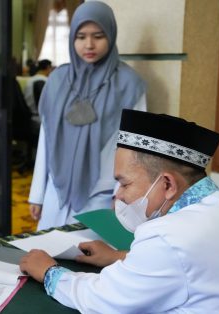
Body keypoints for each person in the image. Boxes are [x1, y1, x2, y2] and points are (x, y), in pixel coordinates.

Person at [20, 109, 219, 312]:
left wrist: (49, 272)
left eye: (125, 183)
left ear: (168, 185)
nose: (118, 195)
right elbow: (189, 265)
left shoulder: (167, 237)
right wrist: (118, 256)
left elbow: (103, 300)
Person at [28, 1, 146, 230]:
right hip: (57, 190)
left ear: (111, 35)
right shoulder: (58, 80)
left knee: (87, 257)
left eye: (98, 36)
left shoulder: (128, 83)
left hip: (101, 193)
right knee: (45, 252)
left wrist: (121, 195)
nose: (89, 44)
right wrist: (38, 194)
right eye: (81, 36)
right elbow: (47, 138)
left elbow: (133, 146)